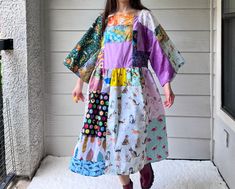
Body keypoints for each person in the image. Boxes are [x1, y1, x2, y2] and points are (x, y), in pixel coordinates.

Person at [63, 0, 185, 188]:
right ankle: (126, 184)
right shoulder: (104, 20)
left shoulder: (143, 17)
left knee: (134, 131)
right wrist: (79, 83)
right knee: (111, 139)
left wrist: (167, 85)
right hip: (104, 87)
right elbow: (91, 52)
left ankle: (143, 163)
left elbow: (159, 49)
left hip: (134, 86)